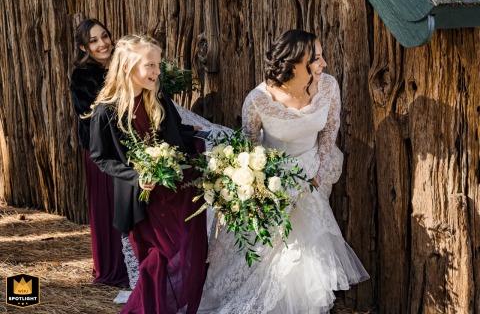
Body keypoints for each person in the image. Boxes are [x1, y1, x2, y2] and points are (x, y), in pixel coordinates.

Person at [198, 29, 369, 314]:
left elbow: (329, 132)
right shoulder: (258, 100)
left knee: (308, 249)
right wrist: (262, 187)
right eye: (315, 59)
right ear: (293, 65)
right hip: (274, 180)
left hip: (313, 173)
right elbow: (249, 147)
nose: (323, 63)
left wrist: (319, 173)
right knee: (270, 251)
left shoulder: (328, 86)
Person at [87, 34, 207, 314]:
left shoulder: (158, 99)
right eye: (150, 65)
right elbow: (100, 157)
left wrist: (196, 135)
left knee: (180, 253)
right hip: (142, 200)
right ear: (128, 67)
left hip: (175, 194)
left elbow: (175, 133)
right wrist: (136, 175)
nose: (156, 71)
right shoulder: (107, 111)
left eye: (158, 65)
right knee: (155, 260)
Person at [70, 18, 129, 287]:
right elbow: (92, 115)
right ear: (84, 47)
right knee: (108, 210)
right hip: (102, 152)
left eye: (104, 36)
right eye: (94, 40)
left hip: (129, 147)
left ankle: (137, 263)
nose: (102, 43)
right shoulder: (82, 77)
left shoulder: (126, 62)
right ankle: (112, 269)